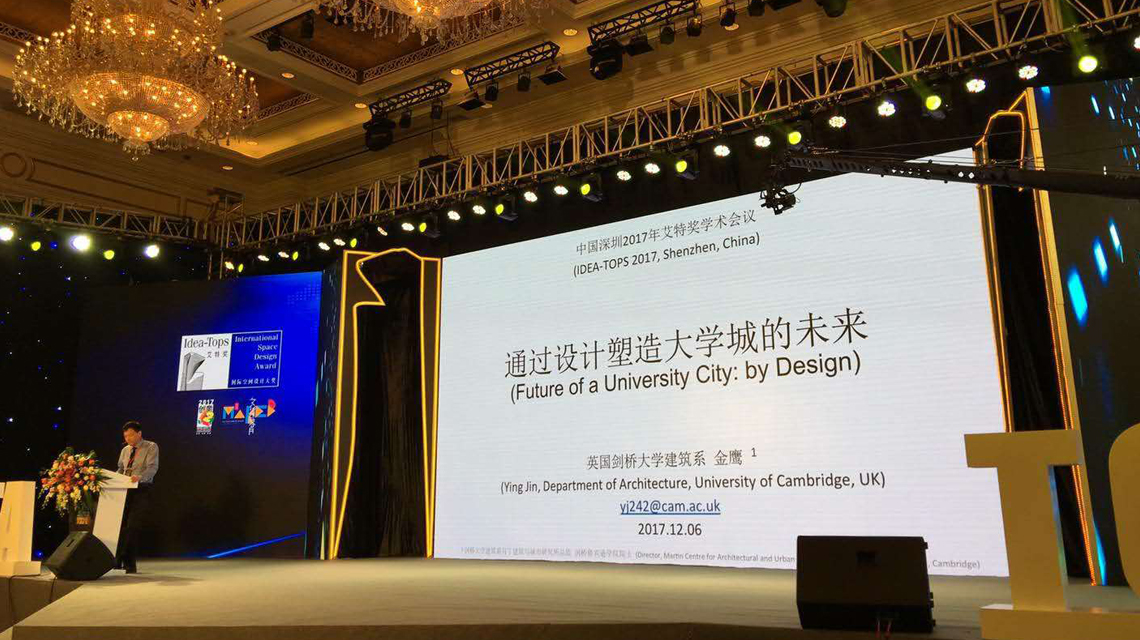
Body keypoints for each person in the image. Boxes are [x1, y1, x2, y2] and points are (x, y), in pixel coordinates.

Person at [115, 421, 159, 573]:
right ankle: (117, 561)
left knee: (132, 526)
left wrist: (139, 478)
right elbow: (120, 468)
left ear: (139, 434)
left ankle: (129, 563)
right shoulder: (125, 450)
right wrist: (113, 479)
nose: (128, 438)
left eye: (131, 435)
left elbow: (152, 468)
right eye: (125, 436)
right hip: (124, 490)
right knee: (121, 526)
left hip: (141, 489)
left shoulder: (151, 446)